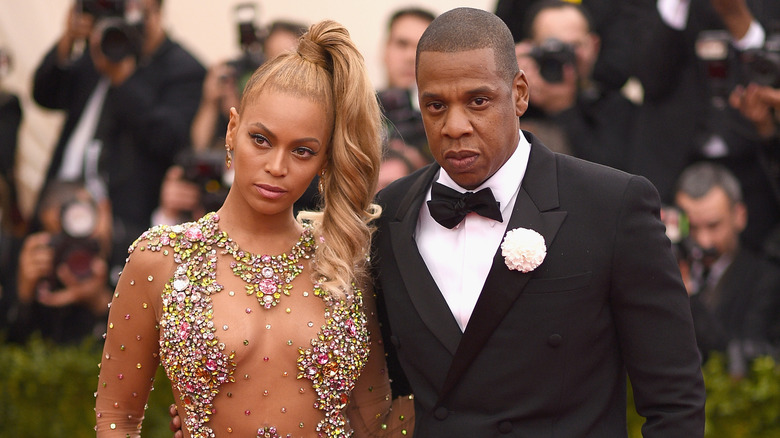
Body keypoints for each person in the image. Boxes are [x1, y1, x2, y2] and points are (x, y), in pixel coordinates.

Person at [371, 7, 705, 436]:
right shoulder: (389, 214)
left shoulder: (612, 204)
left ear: (520, 93)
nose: (454, 126)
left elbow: (674, 400)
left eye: (478, 101)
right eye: (436, 105)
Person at [95, 20, 414, 438]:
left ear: (323, 162)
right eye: (261, 139)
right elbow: (117, 419)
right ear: (232, 129)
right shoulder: (158, 259)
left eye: (302, 151)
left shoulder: (344, 262)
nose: (277, 167)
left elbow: (376, 421)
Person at [31, 0, 205, 283]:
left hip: (120, 219)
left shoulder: (184, 68)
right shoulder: (100, 48)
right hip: (58, 198)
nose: (129, 21)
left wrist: (124, 79)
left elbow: (170, 139)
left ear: (158, 12)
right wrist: (69, 39)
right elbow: (44, 95)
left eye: (139, 13)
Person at [626, 0, 780, 252]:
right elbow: (649, 80)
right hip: (671, 163)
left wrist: (739, 22)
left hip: (753, 161)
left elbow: (771, 78)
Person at [674, 161, 780, 377]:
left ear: (739, 216)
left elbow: (743, 362)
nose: (704, 241)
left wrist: (689, 299)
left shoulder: (765, 279)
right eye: (692, 227)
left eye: (714, 225)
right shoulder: (670, 269)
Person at [514, 0, 637, 169]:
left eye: (574, 46)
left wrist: (564, 109)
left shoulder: (618, 109)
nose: (564, 58)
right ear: (530, 49)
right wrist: (507, 84)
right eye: (552, 47)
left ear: (593, 46)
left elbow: (611, 175)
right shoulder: (512, 101)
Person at [6, 179, 113, 344]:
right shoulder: (27, 259)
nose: (73, 250)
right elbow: (14, 348)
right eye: (61, 240)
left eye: (81, 236)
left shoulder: (123, 258)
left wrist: (101, 301)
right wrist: (24, 295)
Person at [376, 7, 436, 169]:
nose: (410, 56)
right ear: (385, 50)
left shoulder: (445, 124)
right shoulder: (352, 112)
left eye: (421, 47)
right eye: (402, 44)